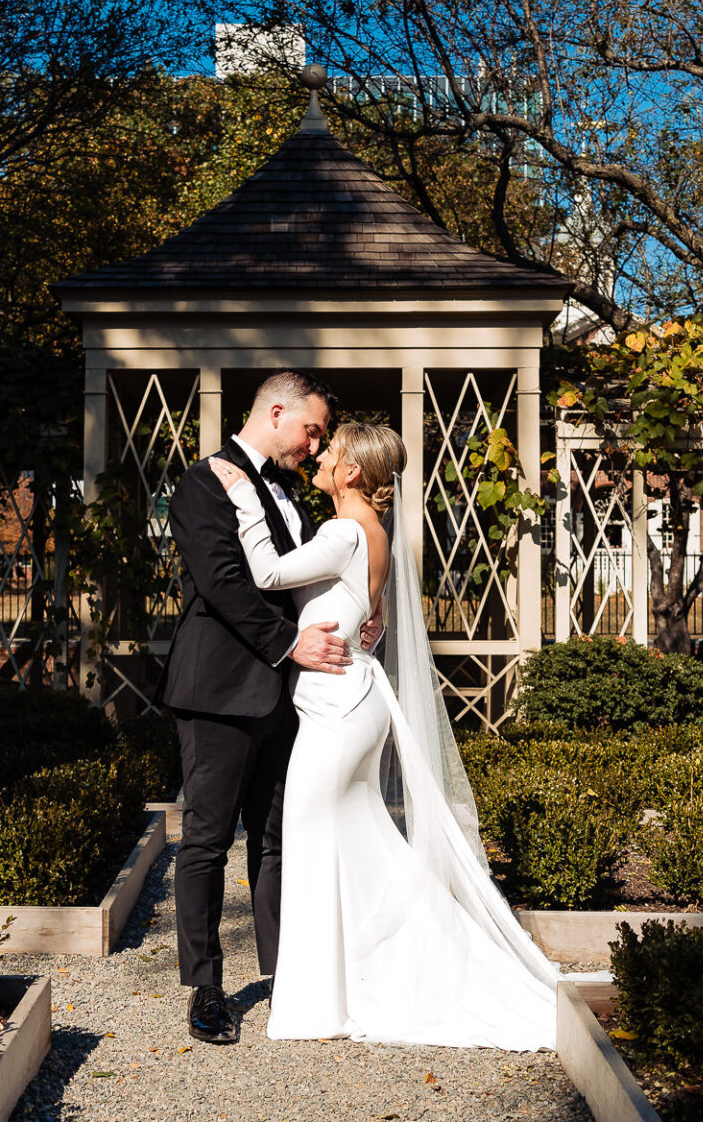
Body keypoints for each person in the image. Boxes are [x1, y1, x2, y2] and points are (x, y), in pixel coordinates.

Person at [210, 420, 561, 1051]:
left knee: (315, 842)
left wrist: (240, 494)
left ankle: (320, 1004)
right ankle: (392, 966)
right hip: (351, 697)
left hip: (338, 706)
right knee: (356, 840)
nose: (319, 457)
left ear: (350, 474)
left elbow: (265, 574)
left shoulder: (345, 530)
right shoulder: (370, 534)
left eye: (332, 453)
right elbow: (363, 612)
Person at [162, 370, 355, 1046]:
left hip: (285, 697)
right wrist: (289, 646)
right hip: (218, 689)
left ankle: (282, 979)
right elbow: (220, 582)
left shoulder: (288, 488)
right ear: (277, 412)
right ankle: (205, 987)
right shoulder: (202, 482)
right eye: (312, 430)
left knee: (276, 840)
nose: (314, 444)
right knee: (208, 841)